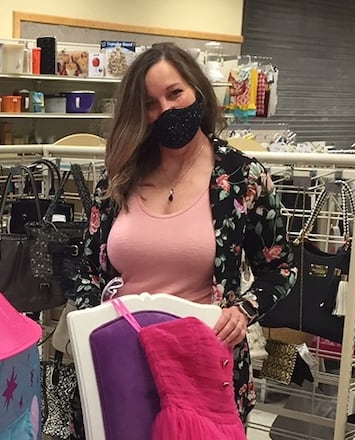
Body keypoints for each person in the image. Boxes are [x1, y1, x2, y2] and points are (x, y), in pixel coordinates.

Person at [71, 42, 297, 426]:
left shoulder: (242, 177)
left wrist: (243, 311)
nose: (165, 110)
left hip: (204, 366)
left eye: (175, 93)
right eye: (149, 103)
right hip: (121, 361)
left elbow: (281, 267)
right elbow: (87, 270)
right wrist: (93, 324)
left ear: (197, 89)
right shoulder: (120, 176)